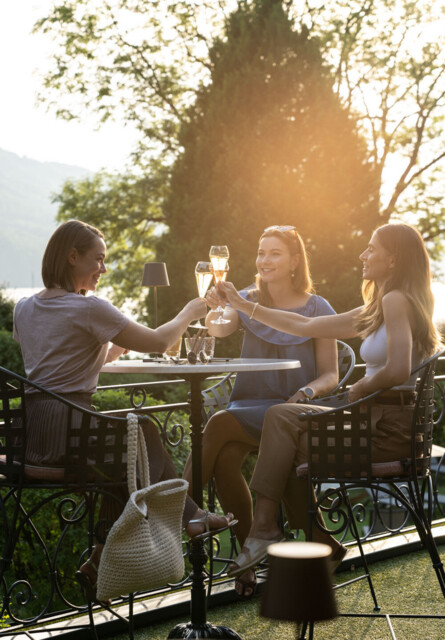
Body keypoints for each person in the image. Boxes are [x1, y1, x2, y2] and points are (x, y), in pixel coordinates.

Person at [12, 219, 234, 602]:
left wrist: (111, 345)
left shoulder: (24, 307)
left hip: (34, 434)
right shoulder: (90, 307)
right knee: (142, 432)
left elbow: (58, 360)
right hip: (72, 434)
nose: (104, 268)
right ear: (72, 257)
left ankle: (104, 556)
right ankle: (191, 517)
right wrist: (186, 314)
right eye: (98, 260)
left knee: (125, 453)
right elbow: (161, 341)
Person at [217, 222, 443, 577]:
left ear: (394, 259)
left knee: (281, 422)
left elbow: (398, 369)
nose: (363, 255)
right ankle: (293, 536)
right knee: (284, 423)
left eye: (371, 248)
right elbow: (306, 326)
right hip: (379, 422)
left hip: (386, 432)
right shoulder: (381, 305)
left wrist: (362, 387)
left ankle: (268, 530)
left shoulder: (395, 300)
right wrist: (246, 306)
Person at [183, 225, 339, 597]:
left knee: (219, 424)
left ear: (294, 261)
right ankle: (250, 558)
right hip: (249, 407)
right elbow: (219, 332)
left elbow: (331, 373)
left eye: (274, 253)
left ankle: (176, 511)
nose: (264, 260)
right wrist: (219, 306)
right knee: (224, 461)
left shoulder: (319, 308)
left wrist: (307, 390)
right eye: (260, 253)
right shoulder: (246, 298)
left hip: (291, 411)